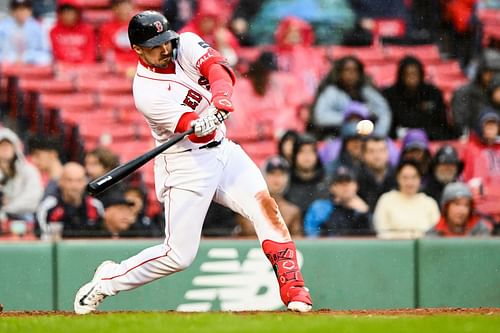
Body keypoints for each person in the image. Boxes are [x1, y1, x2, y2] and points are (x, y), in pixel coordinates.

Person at [74, 11, 312, 314]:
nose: (164, 49)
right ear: (137, 50)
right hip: (186, 164)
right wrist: (201, 124)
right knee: (178, 256)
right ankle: (108, 280)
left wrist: (220, 100)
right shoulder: (146, 92)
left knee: (264, 206)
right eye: (154, 46)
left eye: (165, 41)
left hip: (224, 151)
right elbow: (198, 135)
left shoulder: (184, 43)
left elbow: (219, 69)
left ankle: (294, 288)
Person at [310, 56, 391, 138]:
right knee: (352, 127)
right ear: (339, 73)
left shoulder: (367, 91)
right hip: (338, 137)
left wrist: (378, 136)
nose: (351, 74)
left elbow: (384, 113)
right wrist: (346, 118)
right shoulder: (332, 92)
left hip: (368, 138)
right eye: (347, 70)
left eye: (355, 70)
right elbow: (320, 117)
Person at [383, 56, 455, 140]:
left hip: (431, 138)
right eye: (407, 74)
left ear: (421, 74)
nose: (411, 78)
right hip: (400, 138)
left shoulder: (433, 93)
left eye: (415, 74)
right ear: (401, 75)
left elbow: (441, 123)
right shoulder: (390, 94)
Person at [237, 156, 302, 237]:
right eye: (272, 173)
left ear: (287, 178)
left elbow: (298, 243)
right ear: (263, 176)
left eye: (281, 174)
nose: (276, 178)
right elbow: (246, 236)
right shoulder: (247, 207)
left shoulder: (292, 211)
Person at [374, 159, 440, 239]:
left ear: (420, 179)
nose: (409, 182)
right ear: (398, 178)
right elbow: (381, 232)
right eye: (405, 178)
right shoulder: (386, 200)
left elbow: (436, 233)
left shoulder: (429, 203)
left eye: (414, 177)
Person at [36, 162, 104, 238]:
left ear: (85, 182)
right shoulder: (48, 206)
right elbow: (43, 238)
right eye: (69, 180)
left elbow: (102, 237)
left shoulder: (95, 206)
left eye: (79, 180)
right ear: (60, 182)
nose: (74, 186)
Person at [303, 166, 371, 237]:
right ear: (332, 188)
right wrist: (339, 207)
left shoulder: (362, 207)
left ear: (356, 186)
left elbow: (372, 237)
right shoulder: (320, 207)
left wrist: (364, 213)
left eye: (348, 182)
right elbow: (311, 236)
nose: (345, 187)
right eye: (340, 183)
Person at [462, 109, 500, 220]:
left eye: (494, 124)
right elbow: (472, 182)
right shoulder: (472, 150)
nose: (491, 127)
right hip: (483, 203)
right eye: (488, 124)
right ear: (480, 127)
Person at [451, 49, 500, 136]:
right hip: (474, 140)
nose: (493, 76)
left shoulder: (497, 94)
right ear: (481, 72)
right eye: (489, 72)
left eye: (497, 72)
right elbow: (460, 125)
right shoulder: (464, 93)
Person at [426, 182, 494, 237]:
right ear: (446, 207)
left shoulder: (480, 230)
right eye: (457, 204)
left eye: (466, 205)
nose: (462, 210)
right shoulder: (433, 234)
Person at [286, 133, 329, 217]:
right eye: (302, 151)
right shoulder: (286, 182)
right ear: (295, 155)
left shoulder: (327, 181)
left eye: (311, 151)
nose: (307, 156)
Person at [0, 0, 52, 65]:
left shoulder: (37, 27)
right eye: (18, 9)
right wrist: (13, 58)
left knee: (45, 58)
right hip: (8, 64)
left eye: (25, 9)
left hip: (31, 63)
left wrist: (25, 58)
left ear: (30, 11)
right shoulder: (2, 27)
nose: (22, 12)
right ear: (12, 11)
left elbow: (45, 51)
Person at [357, 136, 397, 212]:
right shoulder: (355, 178)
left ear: (388, 152)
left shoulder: (399, 176)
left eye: (381, 150)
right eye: (371, 151)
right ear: (363, 155)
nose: (377, 156)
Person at [99, 0, 137, 65]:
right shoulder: (106, 27)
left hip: (136, 64)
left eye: (126, 6)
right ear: (114, 9)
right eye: (120, 7)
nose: (124, 10)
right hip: (116, 64)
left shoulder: (139, 26)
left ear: (132, 7)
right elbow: (106, 50)